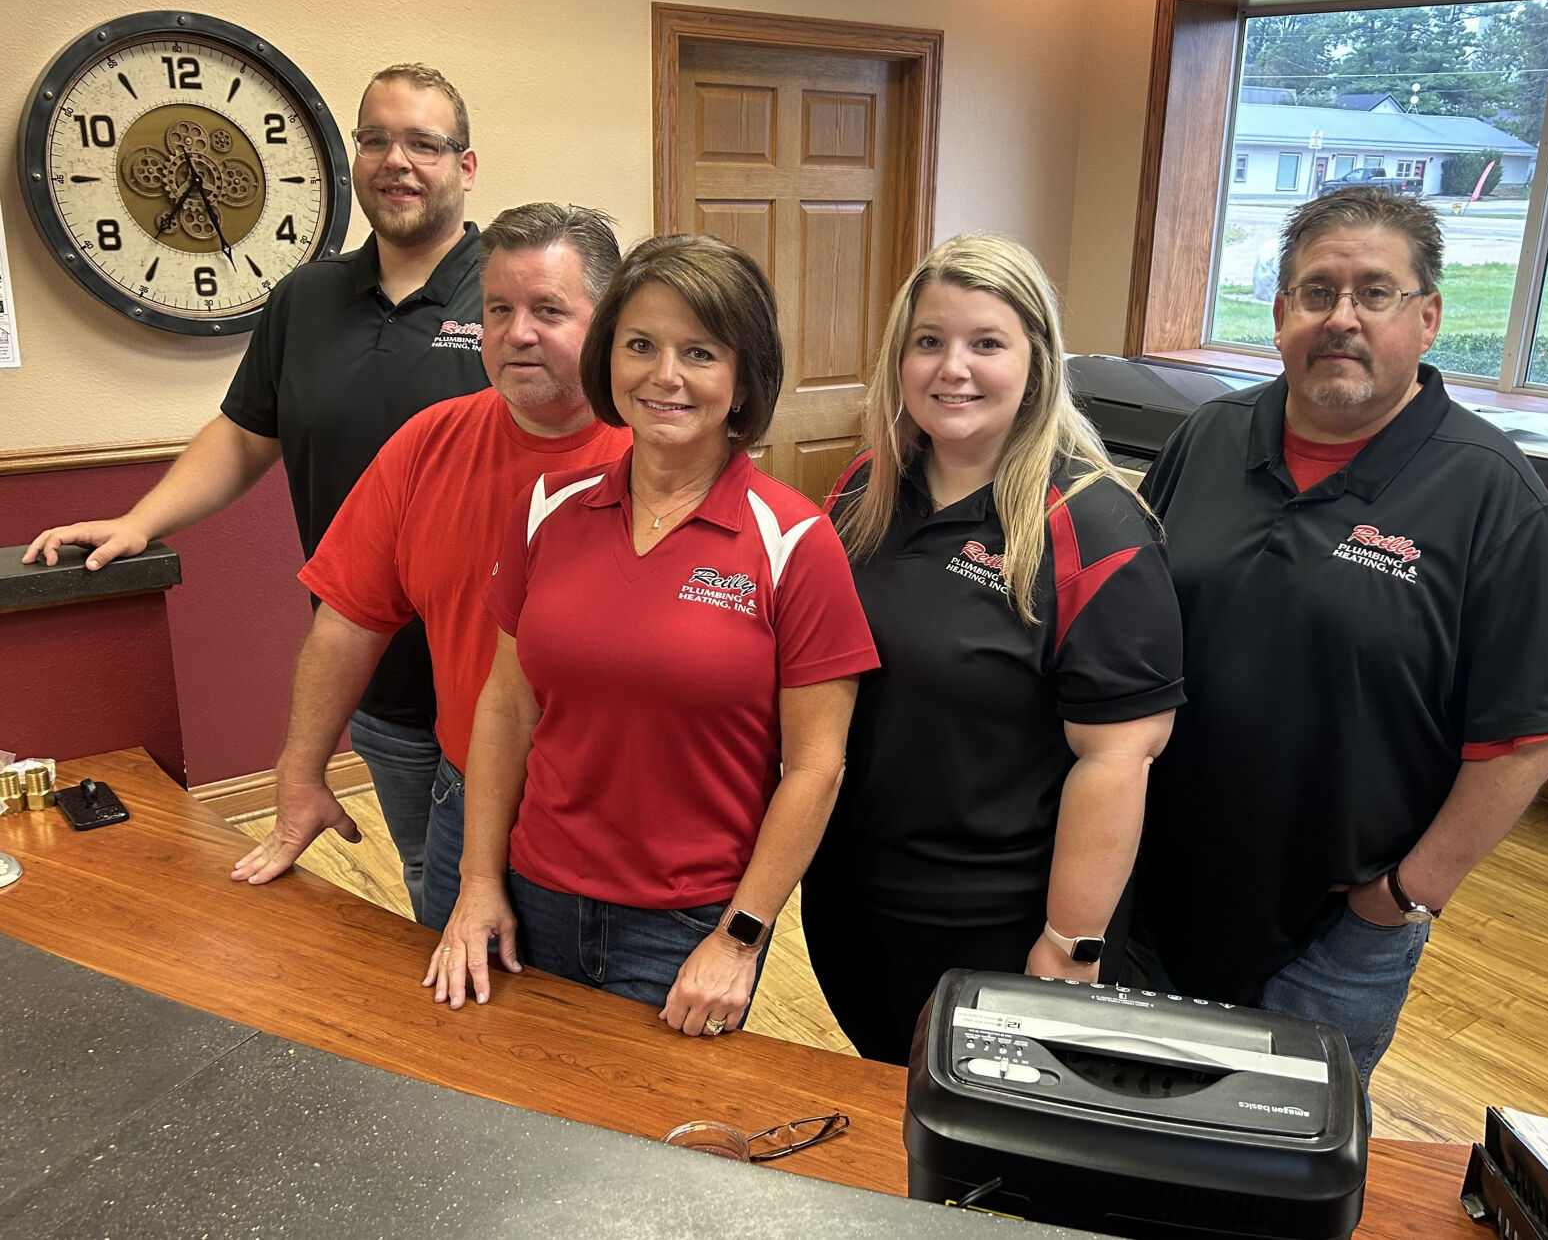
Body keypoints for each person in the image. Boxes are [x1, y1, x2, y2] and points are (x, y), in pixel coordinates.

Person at [1131, 188, 1548, 1085]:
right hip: (1151, 894)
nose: (1341, 317)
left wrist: (1403, 898)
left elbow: (1532, 737)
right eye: (1317, 292)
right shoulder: (1211, 436)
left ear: (1427, 319)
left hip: (1332, 938)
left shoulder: (1493, 498)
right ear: (1279, 316)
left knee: (1277, 1175)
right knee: (1135, 1134)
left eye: (1374, 293)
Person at [24, 64, 486, 920]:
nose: (398, 160)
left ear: (465, 166)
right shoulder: (306, 298)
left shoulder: (512, 294)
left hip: (504, 673)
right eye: (377, 139)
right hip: (373, 670)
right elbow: (244, 433)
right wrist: (140, 519)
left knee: (524, 901)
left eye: (424, 143)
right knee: (432, 882)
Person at [424, 234, 879, 1037]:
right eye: (640, 345)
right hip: (531, 896)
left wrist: (740, 938)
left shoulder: (794, 542)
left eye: (699, 352)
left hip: (685, 926)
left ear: (743, 381)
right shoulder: (546, 508)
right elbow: (505, 706)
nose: (663, 376)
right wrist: (477, 879)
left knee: (651, 1154)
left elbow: (816, 767)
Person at [802, 234, 1186, 1065]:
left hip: (999, 925)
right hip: (855, 898)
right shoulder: (865, 489)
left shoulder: (1097, 528)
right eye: (929, 341)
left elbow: (1118, 760)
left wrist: (1070, 945)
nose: (953, 368)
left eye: (987, 343)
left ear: (1038, 361)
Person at [230, 204, 632, 928]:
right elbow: (347, 621)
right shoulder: (429, 444)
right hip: (464, 796)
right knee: (456, 1024)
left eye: (549, 309)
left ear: (608, 320)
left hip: (617, 821)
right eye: (499, 309)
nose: (517, 333)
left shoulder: (657, 457)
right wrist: (300, 771)